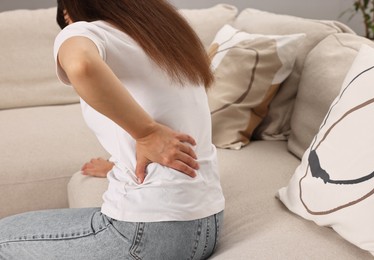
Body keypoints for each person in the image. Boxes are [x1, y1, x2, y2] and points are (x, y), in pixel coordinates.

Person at [0, 0, 225, 259]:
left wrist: (147, 133)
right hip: (207, 225)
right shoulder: (166, 39)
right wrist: (119, 164)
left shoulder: (80, 31)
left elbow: (81, 64)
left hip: (147, 233)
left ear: (68, 12)